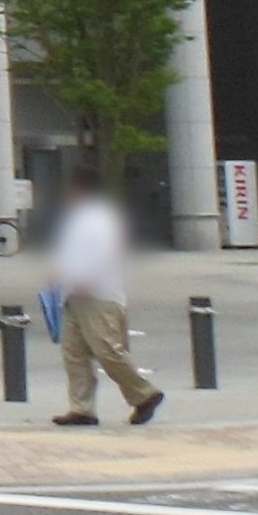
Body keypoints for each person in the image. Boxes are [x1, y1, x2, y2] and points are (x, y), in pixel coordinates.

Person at [47, 164, 162, 427]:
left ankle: (144, 394)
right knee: (74, 353)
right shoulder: (77, 217)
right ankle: (82, 408)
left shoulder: (101, 217)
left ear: (79, 188)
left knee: (107, 350)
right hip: (73, 295)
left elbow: (105, 252)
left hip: (98, 293)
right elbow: (71, 252)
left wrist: (87, 277)